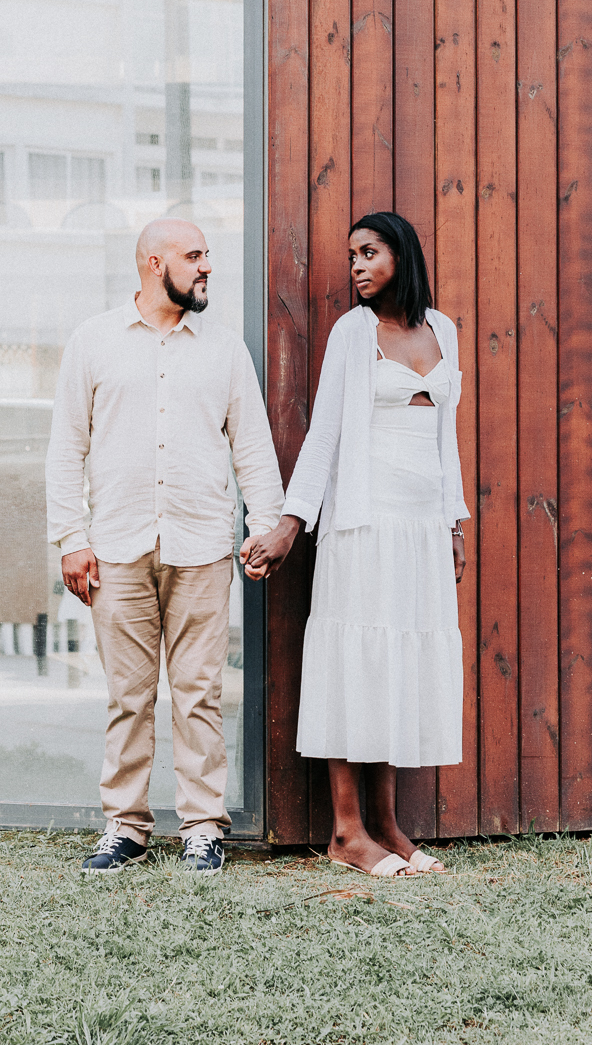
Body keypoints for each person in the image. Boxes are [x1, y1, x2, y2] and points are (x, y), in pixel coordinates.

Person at [46, 218, 297, 874]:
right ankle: (125, 828)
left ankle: (202, 828)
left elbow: (251, 447)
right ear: (153, 263)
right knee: (128, 698)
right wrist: (72, 537)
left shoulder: (224, 350)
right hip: (117, 547)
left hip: (203, 545)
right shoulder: (94, 342)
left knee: (198, 695)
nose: (206, 266)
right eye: (194, 256)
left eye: (208, 255)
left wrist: (266, 526)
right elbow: (65, 449)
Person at [245, 211, 466, 878]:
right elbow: (326, 434)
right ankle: (347, 830)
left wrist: (453, 521)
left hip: (421, 526)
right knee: (357, 661)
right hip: (361, 524)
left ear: (402, 254)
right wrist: (291, 521)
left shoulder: (443, 330)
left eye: (370, 253)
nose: (358, 267)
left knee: (399, 664)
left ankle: (390, 826)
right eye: (351, 258)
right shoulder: (353, 333)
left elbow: (445, 437)